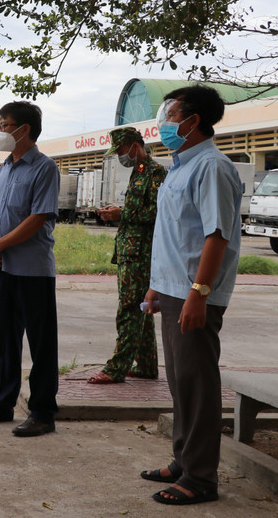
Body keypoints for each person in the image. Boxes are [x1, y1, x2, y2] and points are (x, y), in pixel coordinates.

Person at [140, 86, 242, 506]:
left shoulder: (212, 168)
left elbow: (216, 236)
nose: (164, 121)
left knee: (198, 384)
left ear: (193, 120)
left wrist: (199, 292)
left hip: (195, 293)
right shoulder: (180, 166)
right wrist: (157, 284)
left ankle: (200, 478)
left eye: (171, 113)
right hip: (173, 289)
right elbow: (173, 235)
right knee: (181, 382)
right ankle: (183, 459)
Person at [0, 101, 60, 437]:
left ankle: (43, 412)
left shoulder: (44, 168)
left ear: (25, 130)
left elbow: (37, 218)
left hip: (32, 271)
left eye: (5, 125)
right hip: (2, 268)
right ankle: (2, 402)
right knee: (7, 339)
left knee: (41, 343)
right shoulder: (4, 168)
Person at [87, 127, 165, 384]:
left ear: (134, 145)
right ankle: (146, 365)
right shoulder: (139, 171)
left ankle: (116, 368)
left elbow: (157, 213)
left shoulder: (156, 172)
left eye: (121, 150)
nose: (120, 156)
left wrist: (123, 215)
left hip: (141, 253)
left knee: (129, 310)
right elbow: (138, 209)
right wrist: (118, 211)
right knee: (141, 309)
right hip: (130, 250)